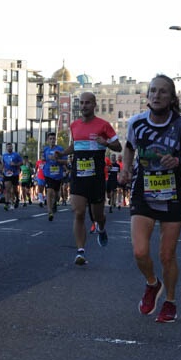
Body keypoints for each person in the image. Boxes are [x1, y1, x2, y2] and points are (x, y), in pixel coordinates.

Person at [120, 75, 181, 324]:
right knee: (140, 251)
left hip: (173, 193)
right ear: (147, 96)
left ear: (172, 98)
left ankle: (170, 301)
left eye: (163, 92)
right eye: (153, 90)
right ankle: (152, 284)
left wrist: (177, 161)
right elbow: (129, 147)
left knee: (167, 255)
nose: (157, 95)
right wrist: (126, 168)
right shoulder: (136, 123)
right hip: (143, 190)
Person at [58, 92, 121, 265]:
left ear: (94, 105)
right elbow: (76, 145)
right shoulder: (74, 125)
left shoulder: (104, 125)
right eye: (82, 103)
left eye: (87, 103)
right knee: (78, 212)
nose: (84, 106)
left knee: (97, 215)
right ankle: (80, 251)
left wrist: (106, 143)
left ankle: (101, 228)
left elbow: (118, 146)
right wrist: (63, 152)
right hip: (78, 175)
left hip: (97, 177)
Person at [41, 132, 65, 221]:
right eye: (50, 139)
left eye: (54, 139)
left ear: (56, 140)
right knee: (49, 191)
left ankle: (55, 202)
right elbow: (43, 158)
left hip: (58, 175)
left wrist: (57, 159)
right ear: (48, 140)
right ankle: (49, 211)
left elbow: (65, 162)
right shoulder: (46, 149)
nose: (52, 140)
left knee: (57, 194)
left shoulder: (60, 149)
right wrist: (43, 158)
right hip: (48, 174)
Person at [1, 142, 22, 210]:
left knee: (14, 190)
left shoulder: (16, 155)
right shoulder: (4, 155)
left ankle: (17, 199)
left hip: (15, 174)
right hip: (7, 174)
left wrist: (15, 164)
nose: (9, 148)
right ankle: (7, 203)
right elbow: (2, 164)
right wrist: (2, 170)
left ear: (12, 147)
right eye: (8, 147)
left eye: (10, 147)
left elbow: (21, 162)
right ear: (6, 148)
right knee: (7, 189)